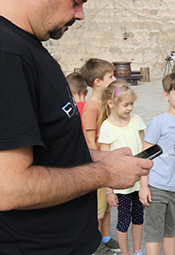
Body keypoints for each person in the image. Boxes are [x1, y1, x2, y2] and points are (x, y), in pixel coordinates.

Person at [0, 0, 152, 255]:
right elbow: (8, 188)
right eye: (77, 1)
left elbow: (42, 153)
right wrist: (103, 173)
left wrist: (100, 158)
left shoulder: (17, 44)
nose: (80, 14)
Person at [140, 72, 175, 255]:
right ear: (166, 96)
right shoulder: (158, 122)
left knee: (171, 231)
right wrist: (143, 186)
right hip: (157, 186)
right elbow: (144, 157)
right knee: (154, 233)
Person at [98, 80, 147, 255]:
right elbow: (104, 163)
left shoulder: (137, 121)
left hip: (138, 182)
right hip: (120, 186)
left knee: (139, 218)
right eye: (125, 104)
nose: (130, 108)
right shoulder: (106, 127)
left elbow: (144, 151)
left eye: (132, 104)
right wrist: (109, 191)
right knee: (123, 221)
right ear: (110, 104)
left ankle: (138, 250)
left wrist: (144, 185)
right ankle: (125, 253)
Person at [80, 58, 120, 254]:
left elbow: (121, 94)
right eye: (110, 76)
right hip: (99, 162)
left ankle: (105, 237)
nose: (114, 79)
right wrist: (101, 161)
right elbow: (89, 139)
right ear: (97, 81)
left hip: (108, 158)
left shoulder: (106, 100)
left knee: (107, 207)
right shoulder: (91, 107)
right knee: (99, 206)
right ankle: (94, 243)